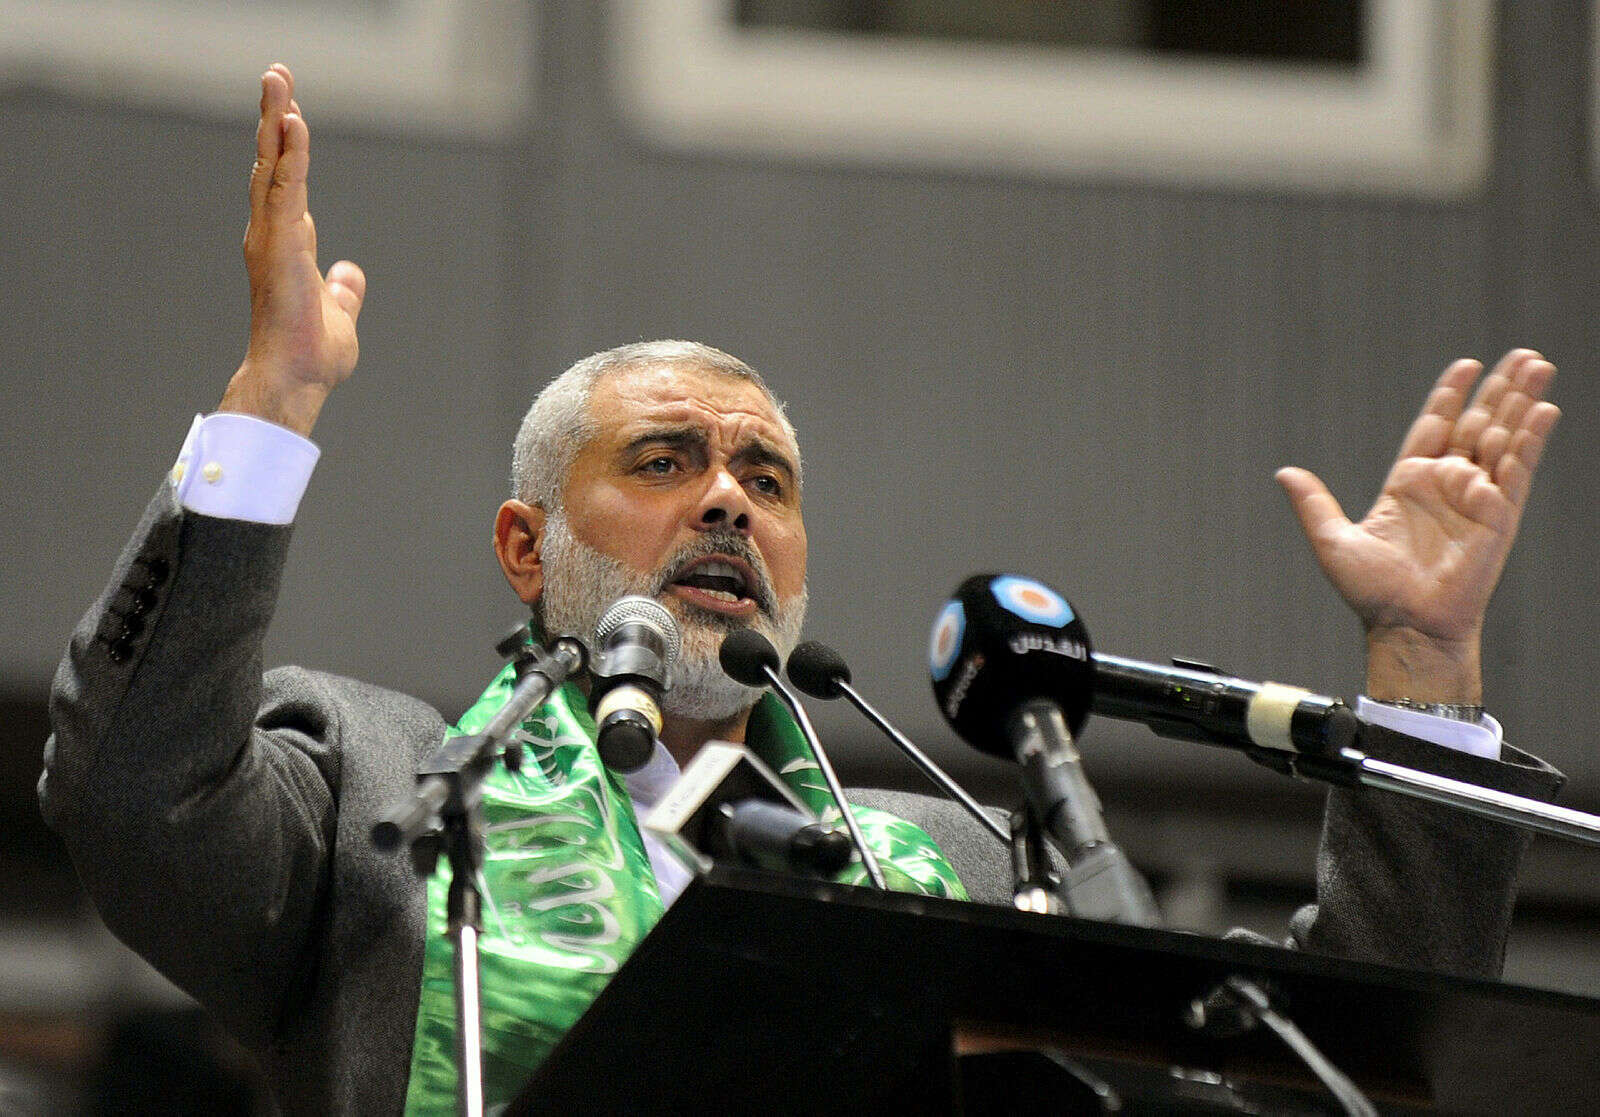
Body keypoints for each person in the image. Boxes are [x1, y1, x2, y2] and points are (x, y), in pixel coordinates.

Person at [40, 64, 1565, 1114]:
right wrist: (268, 411)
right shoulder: (381, 786)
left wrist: (1421, 662)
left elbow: (1327, 1057)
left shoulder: (953, 863)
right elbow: (133, 794)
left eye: (765, 479)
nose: (727, 498)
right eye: (666, 459)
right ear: (526, 548)